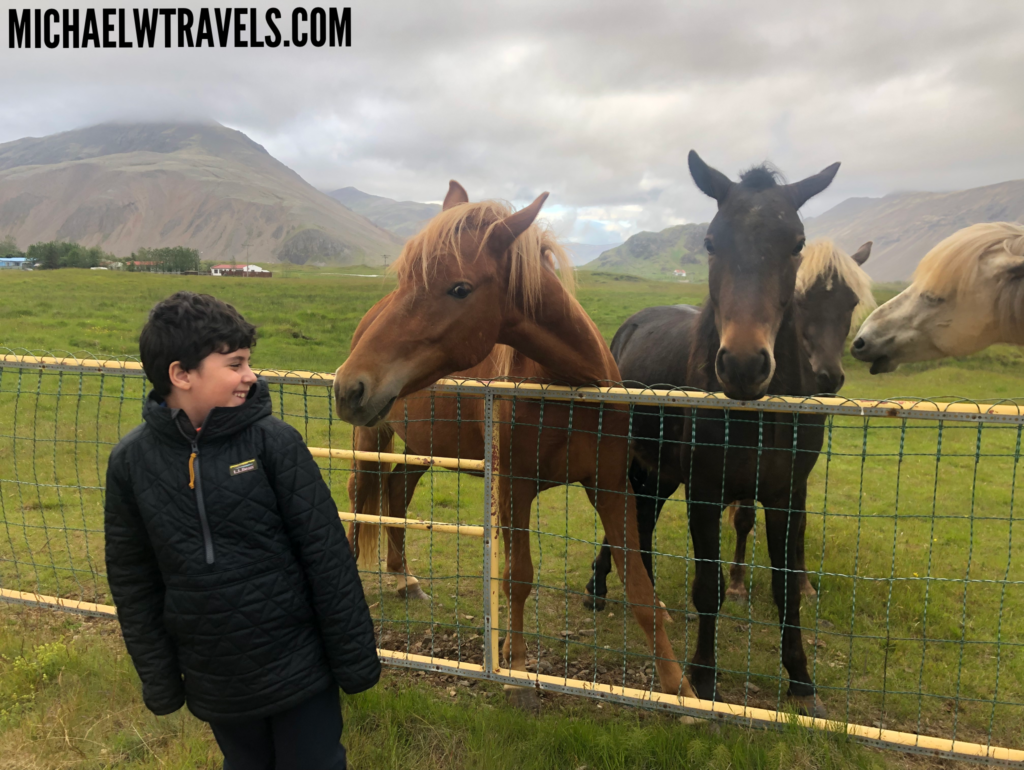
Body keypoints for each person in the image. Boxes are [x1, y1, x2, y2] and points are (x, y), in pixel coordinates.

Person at [104, 291, 379, 770]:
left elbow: (327, 557)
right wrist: (162, 680)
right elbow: (134, 582)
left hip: (299, 668)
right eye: (235, 364)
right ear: (181, 374)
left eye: (249, 361)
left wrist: (354, 662)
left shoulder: (275, 444)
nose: (250, 376)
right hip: (217, 678)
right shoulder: (131, 463)